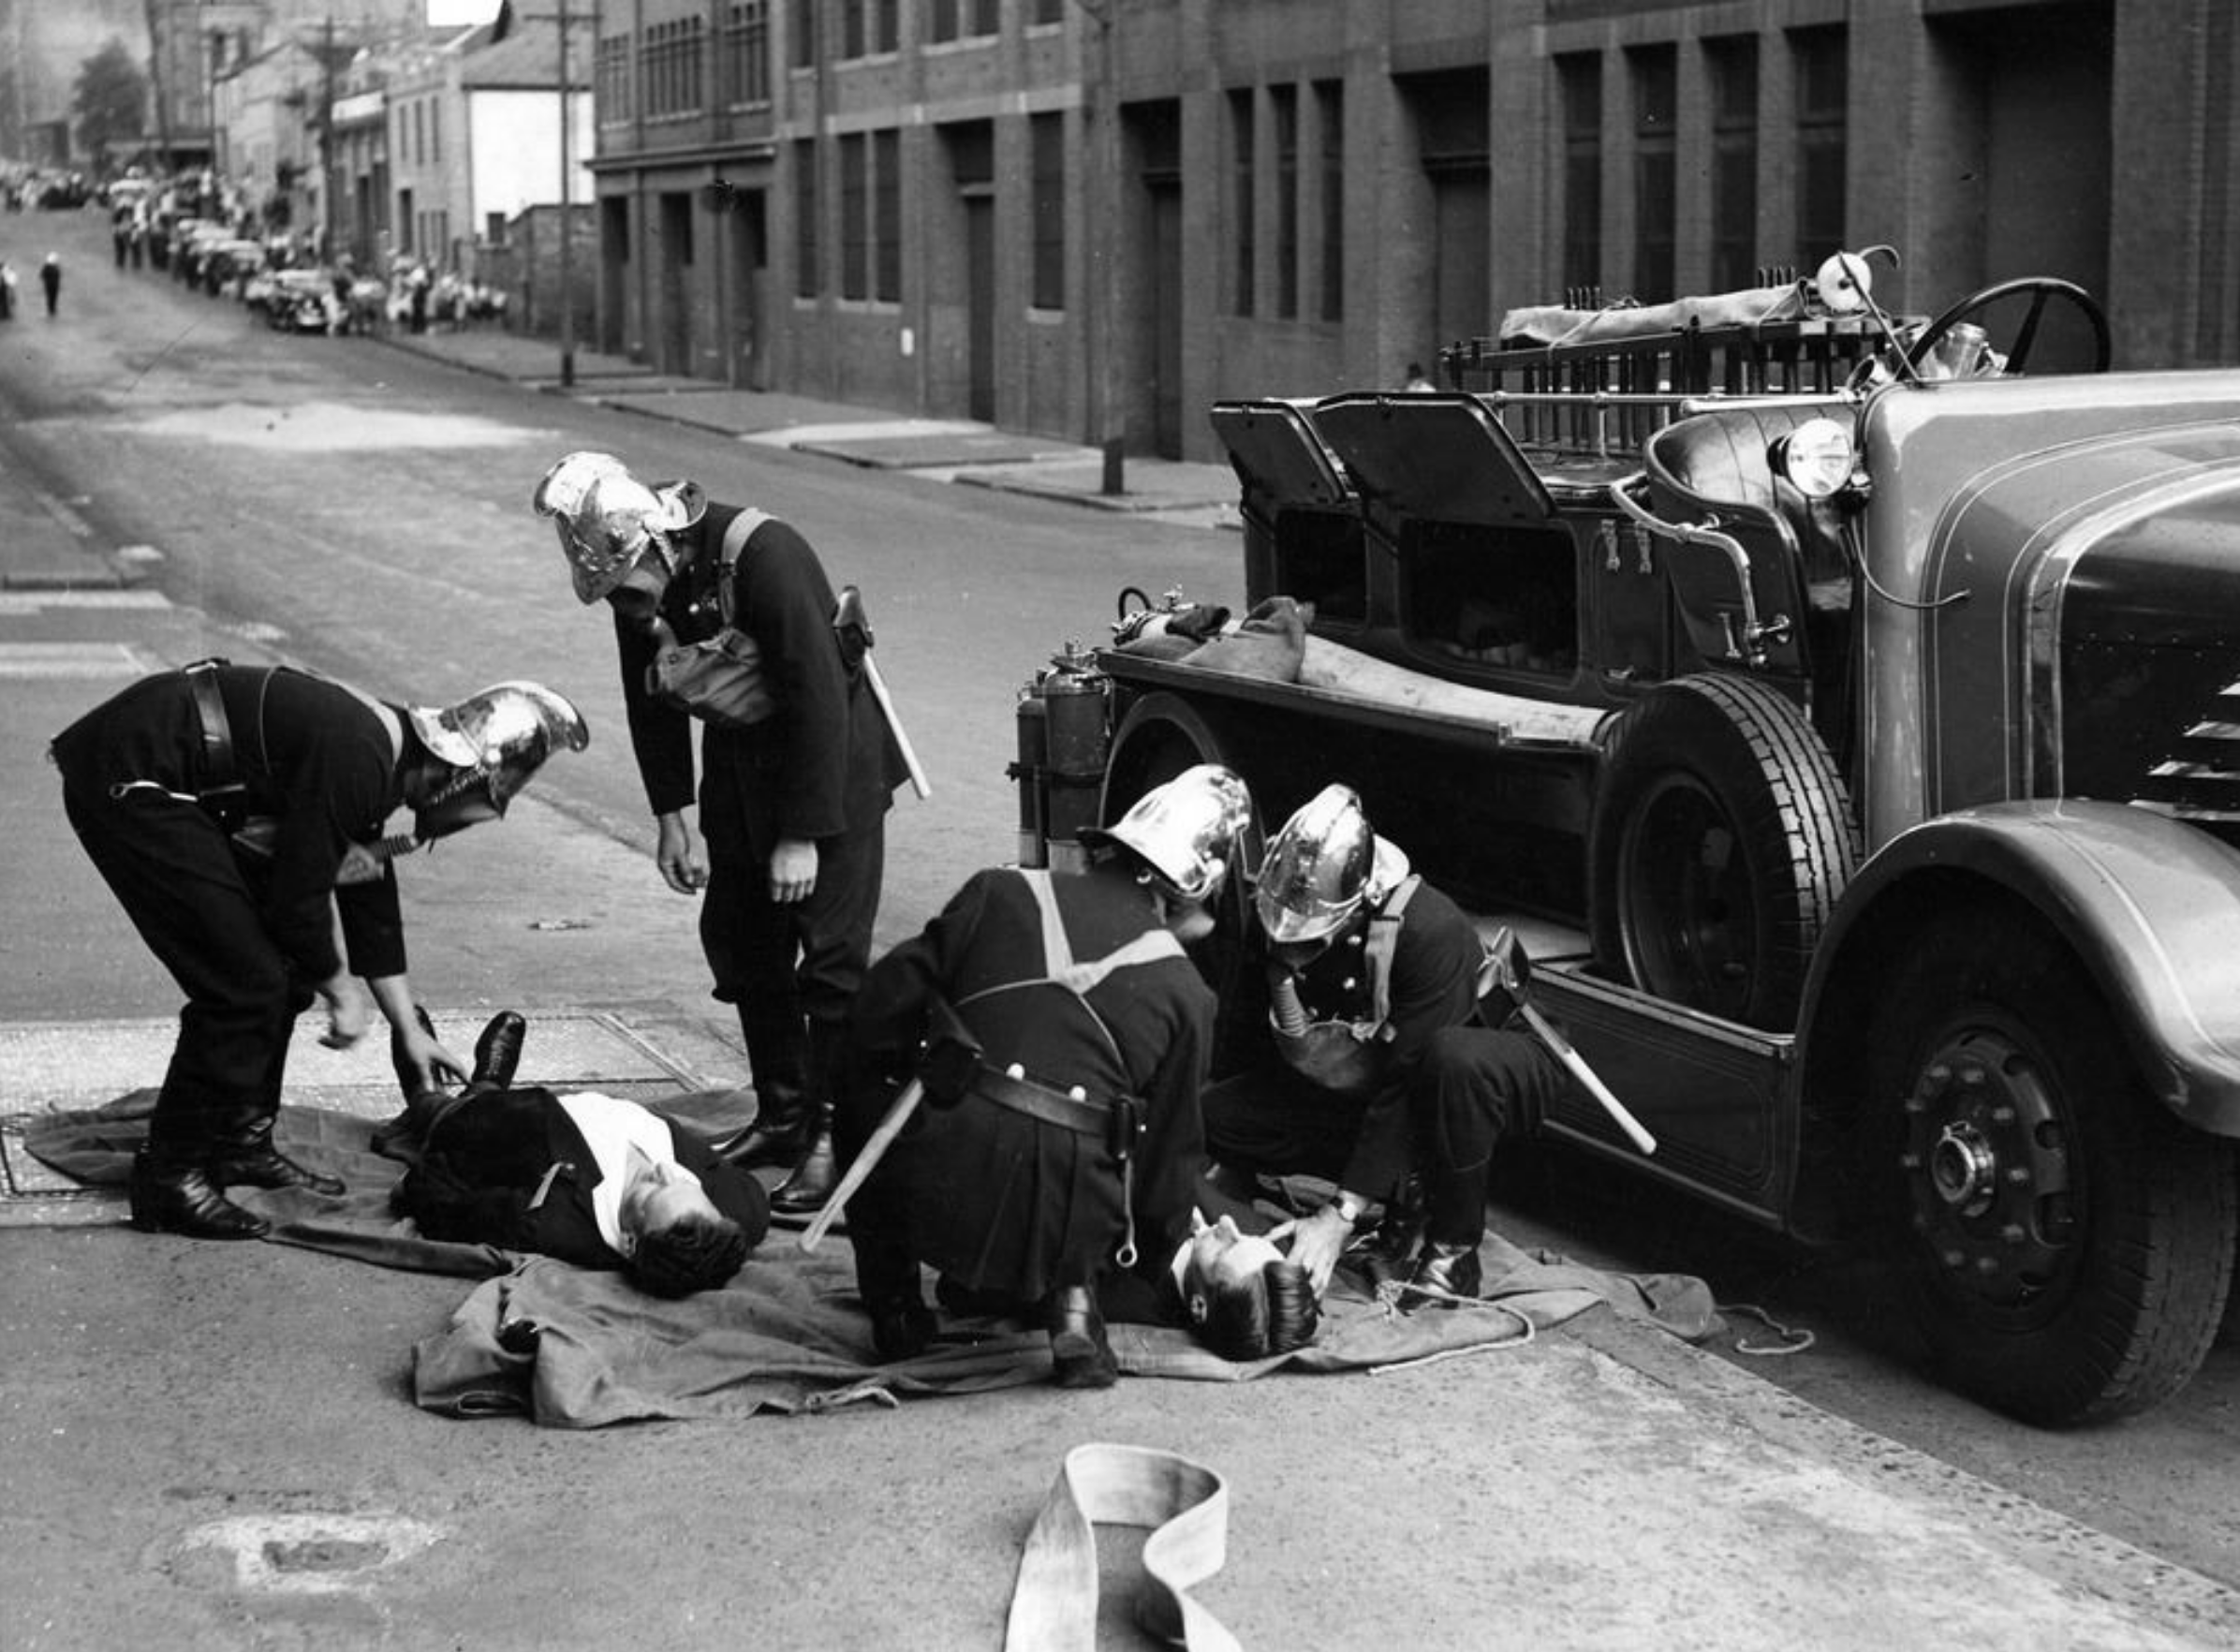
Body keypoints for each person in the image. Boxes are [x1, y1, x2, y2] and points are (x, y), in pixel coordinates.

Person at [50, 663, 590, 1242]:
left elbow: (366, 889)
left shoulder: (385, 749)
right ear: (459, 773)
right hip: (133, 775)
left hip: (158, 764)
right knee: (242, 987)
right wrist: (342, 992)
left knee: (278, 976)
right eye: (483, 797)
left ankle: (238, 1142)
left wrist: (406, 1027)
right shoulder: (361, 754)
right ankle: (169, 1176)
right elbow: (297, 899)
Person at [533, 451, 906, 1219]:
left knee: (830, 962)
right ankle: (780, 1114)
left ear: (660, 546)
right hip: (742, 769)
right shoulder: (633, 582)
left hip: (829, 768)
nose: (630, 611)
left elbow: (818, 698)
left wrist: (803, 835)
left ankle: (830, 1136)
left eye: (632, 592)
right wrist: (670, 816)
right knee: (740, 935)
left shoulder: (766, 554)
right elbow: (653, 699)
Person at [837, 764, 1274, 1387]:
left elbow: (875, 1014)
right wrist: (1147, 1266)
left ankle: (897, 1309)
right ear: (1187, 894)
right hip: (1069, 1223)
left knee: (861, 1083)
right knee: (1113, 1135)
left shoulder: (999, 892)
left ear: (1112, 848)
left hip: (931, 1187)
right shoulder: (1188, 992)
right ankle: (1073, 1301)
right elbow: (1167, 1170)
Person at [1201, 783, 1566, 1305]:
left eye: (1309, 940)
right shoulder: (1278, 911)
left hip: (1479, 1084)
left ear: (1360, 905)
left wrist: (1339, 1215)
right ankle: (1404, 1193)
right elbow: (1249, 1038)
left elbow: (1407, 1081)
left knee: (1451, 1059)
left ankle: (1452, 1252)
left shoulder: (1427, 929)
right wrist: (1224, 1159)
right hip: (1383, 1082)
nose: (1292, 952)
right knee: (1215, 1115)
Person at [391, 1014, 768, 1296]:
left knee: (450, 1116)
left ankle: (435, 1092)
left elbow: (433, 1197)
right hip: (583, 1110)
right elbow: (747, 1196)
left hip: (497, 1129)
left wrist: (421, 1172)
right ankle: (482, 1082)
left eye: (654, 1190)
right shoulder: (738, 1214)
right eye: (687, 1184)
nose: (665, 1170)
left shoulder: (548, 1223)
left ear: (631, 1243)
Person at [38, 251, 59, 317]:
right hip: (49, 285)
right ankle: (50, 310)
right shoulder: (47, 267)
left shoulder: (55, 267)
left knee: (53, 298)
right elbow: (42, 275)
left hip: (54, 285)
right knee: (50, 298)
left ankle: (53, 310)